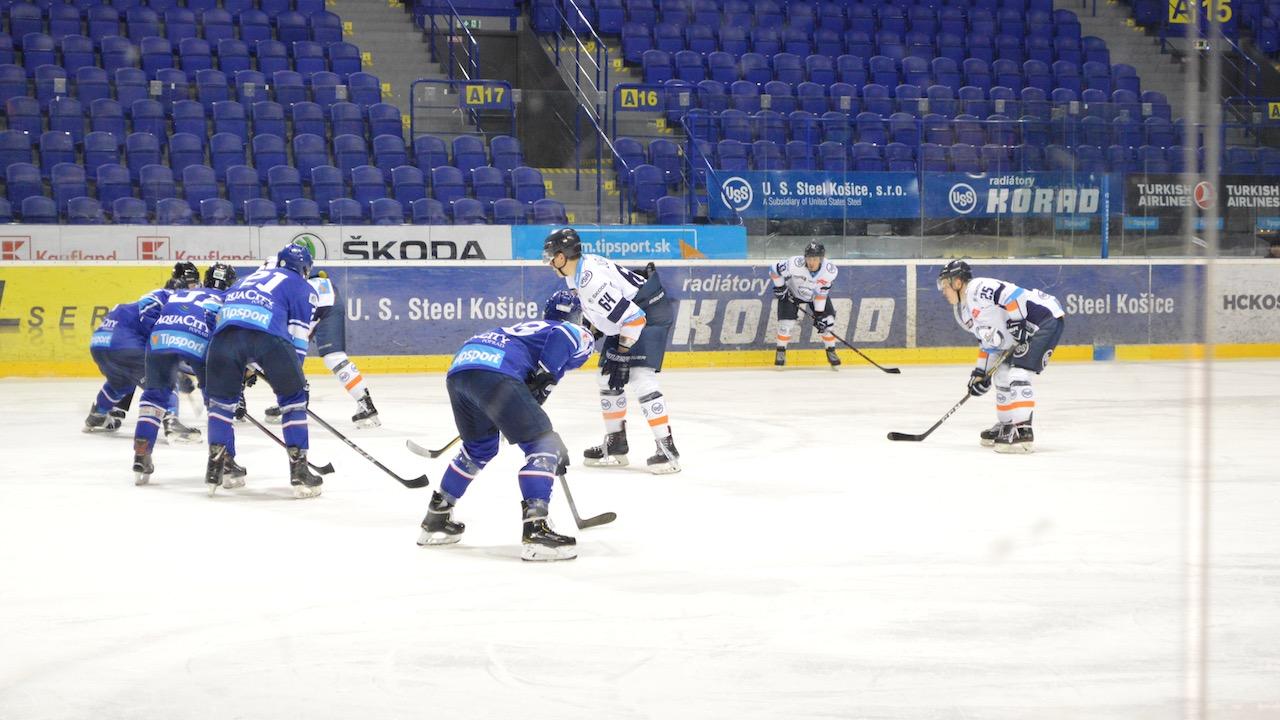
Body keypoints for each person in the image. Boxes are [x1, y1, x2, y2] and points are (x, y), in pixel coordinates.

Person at [417, 297, 595, 562]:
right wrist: (545, 376)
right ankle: (536, 530)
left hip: (461, 368)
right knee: (544, 446)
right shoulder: (573, 330)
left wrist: (534, 386)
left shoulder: (528, 329)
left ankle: (437, 518)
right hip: (496, 372)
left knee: (479, 448)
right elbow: (563, 334)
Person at [542, 227, 681, 473]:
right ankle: (616, 443)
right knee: (607, 377)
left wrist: (623, 351)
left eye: (552, 256)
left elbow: (635, 319)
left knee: (640, 377)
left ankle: (667, 450)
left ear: (562, 257)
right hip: (629, 315)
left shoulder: (590, 282)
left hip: (647, 312)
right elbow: (601, 313)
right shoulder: (574, 274)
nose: (550, 262)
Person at [203, 245, 320, 497]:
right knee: (293, 401)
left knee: (221, 404)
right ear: (304, 268)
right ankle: (299, 472)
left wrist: (247, 366)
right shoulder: (303, 286)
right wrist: (294, 381)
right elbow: (298, 340)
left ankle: (216, 468)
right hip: (267, 338)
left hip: (222, 340)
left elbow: (213, 315)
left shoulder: (244, 280)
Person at [936, 259, 1066, 453]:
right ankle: (1006, 425)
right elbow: (988, 343)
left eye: (945, 285)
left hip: (1043, 319)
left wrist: (1017, 321)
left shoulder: (977, 287)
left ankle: (1023, 431)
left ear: (957, 282)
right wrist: (981, 372)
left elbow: (1009, 294)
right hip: (1024, 331)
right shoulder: (964, 314)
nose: (943, 291)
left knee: (1018, 374)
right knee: (1001, 374)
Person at [131, 264, 239, 485]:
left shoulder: (181, 292)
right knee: (218, 401)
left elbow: (147, 310)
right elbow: (226, 334)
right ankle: (225, 462)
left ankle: (141, 452)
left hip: (160, 337)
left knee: (154, 396)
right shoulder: (229, 298)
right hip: (199, 338)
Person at [264, 238, 379, 427]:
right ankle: (299, 396)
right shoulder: (279, 271)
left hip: (320, 300)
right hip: (321, 296)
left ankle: (299, 398)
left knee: (329, 356)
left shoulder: (271, 274)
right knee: (291, 351)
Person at [84, 262, 200, 433]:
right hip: (124, 345)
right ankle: (171, 422)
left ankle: (98, 414)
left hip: (99, 343)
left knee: (120, 383)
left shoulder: (146, 299)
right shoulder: (168, 298)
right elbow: (154, 334)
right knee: (166, 379)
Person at [770, 241, 841, 369]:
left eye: (815, 258)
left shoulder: (829, 271)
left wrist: (819, 315)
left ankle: (831, 351)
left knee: (827, 322)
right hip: (792, 293)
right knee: (786, 325)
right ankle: (781, 352)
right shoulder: (795, 264)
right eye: (809, 258)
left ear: (821, 259)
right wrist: (780, 287)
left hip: (814, 296)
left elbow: (821, 293)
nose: (811, 262)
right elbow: (774, 269)